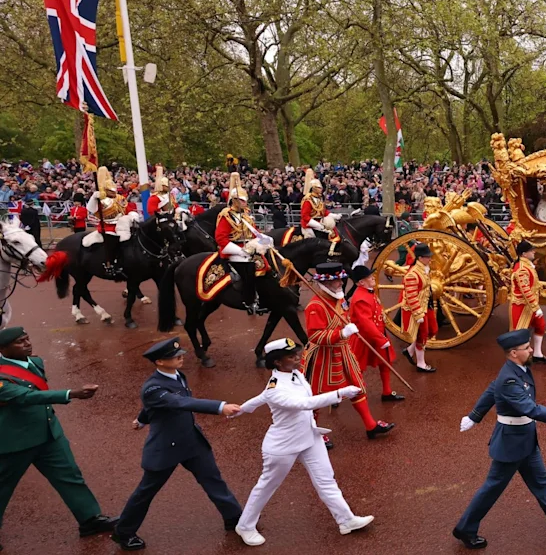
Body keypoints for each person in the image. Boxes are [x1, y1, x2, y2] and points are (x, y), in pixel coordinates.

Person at [232, 338, 375, 546]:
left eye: (296, 353)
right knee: (266, 486)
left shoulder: (294, 374)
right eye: (291, 356)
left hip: (309, 436)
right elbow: (305, 403)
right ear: (278, 362)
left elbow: (260, 398)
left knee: (326, 479)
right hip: (283, 446)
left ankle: (346, 520)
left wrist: (243, 408)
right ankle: (245, 526)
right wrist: (339, 393)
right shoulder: (276, 388)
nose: (297, 358)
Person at [453, 329, 546, 549]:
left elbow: (490, 390)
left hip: (525, 438)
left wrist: (474, 416)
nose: (531, 349)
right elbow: (530, 409)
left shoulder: (518, 369)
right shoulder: (509, 379)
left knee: (541, 482)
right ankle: (465, 529)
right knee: (492, 488)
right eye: (527, 348)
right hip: (511, 443)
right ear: (514, 353)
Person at [112, 337, 243, 551]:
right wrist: (220, 407)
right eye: (174, 356)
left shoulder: (177, 375)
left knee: (213, 480)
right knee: (146, 491)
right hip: (166, 447)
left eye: (180, 354)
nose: (180, 357)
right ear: (159, 362)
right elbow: (178, 402)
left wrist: (142, 420)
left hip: (191, 440)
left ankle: (234, 518)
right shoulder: (152, 388)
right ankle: (123, 531)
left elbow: (154, 407)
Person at [0, 326, 115, 550]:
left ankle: (89, 519)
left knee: (70, 475)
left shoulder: (36, 362)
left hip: (48, 433)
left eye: (27, 339)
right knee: (3, 488)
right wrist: (71, 393)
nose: (27, 344)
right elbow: (25, 397)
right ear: (3, 349)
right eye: (19, 342)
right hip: (15, 441)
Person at [303, 262, 394, 446]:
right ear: (326, 283)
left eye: (340, 280)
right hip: (323, 356)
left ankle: (370, 425)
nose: (340, 284)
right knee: (318, 396)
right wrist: (341, 333)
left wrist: (348, 328)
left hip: (343, 351)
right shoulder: (315, 306)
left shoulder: (339, 299)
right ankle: (311, 432)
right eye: (336, 281)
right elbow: (315, 335)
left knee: (357, 386)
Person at [346, 265, 403, 402]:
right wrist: (381, 339)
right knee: (358, 367)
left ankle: (387, 392)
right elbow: (366, 323)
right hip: (364, 338)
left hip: (377, 334)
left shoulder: (369, 292)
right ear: (361, 282)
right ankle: (348, 393)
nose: (372, 278)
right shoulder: (360, 298)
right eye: (369, 277)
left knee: (385, 362)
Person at [214, 172, 267, 312]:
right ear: (235, 200)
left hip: (248, 247)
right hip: (234, 250)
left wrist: (264, 240)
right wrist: (240, 251)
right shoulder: (226, 216)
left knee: (266, 263)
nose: (245, 203)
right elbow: (221, 239)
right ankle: (249, 301)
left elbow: (254, 232)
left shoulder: (246, 215)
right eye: (242, 201)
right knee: (249, 269)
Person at [85, 166, 131, 279]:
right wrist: (94, 198)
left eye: (114, 190)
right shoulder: (101, 200)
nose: (113, 193)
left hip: (122, 224)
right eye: (110, 191)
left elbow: (127, 209)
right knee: (111, 243)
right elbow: (90, 209)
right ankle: (110, 263)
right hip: (107, 226)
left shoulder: (120, 198)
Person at [509, 241, 546, 362]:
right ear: (524, 254)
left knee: (540, 325)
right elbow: (525, 290)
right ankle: (517, 360)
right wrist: (535, 307)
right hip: (522, 305)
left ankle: (537, 354)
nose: (534, 252)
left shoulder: (526, 265)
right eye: (531, 250)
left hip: (530, 304)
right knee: (520, 334)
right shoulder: (522, 269)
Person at [399, 243, 437, 373]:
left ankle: (410, 351)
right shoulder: (412, 274)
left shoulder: (425, 269)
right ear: (420, 258)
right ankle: (421, 363)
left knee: (433, 330)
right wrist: (418, 314)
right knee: (423, 335)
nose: (430, 259)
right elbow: (411, 296)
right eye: (428, 257)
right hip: (417, 309)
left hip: (427, 304)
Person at [300, 168, 333, 239]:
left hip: (320, 222)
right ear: (314, 188)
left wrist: (333, 216)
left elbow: (323, 211)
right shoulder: (307, 200)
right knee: (311, 239)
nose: (321, 189)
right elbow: (305, 216)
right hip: (308, 225)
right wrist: (316, 225)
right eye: (319, 187)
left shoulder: (319, 198)